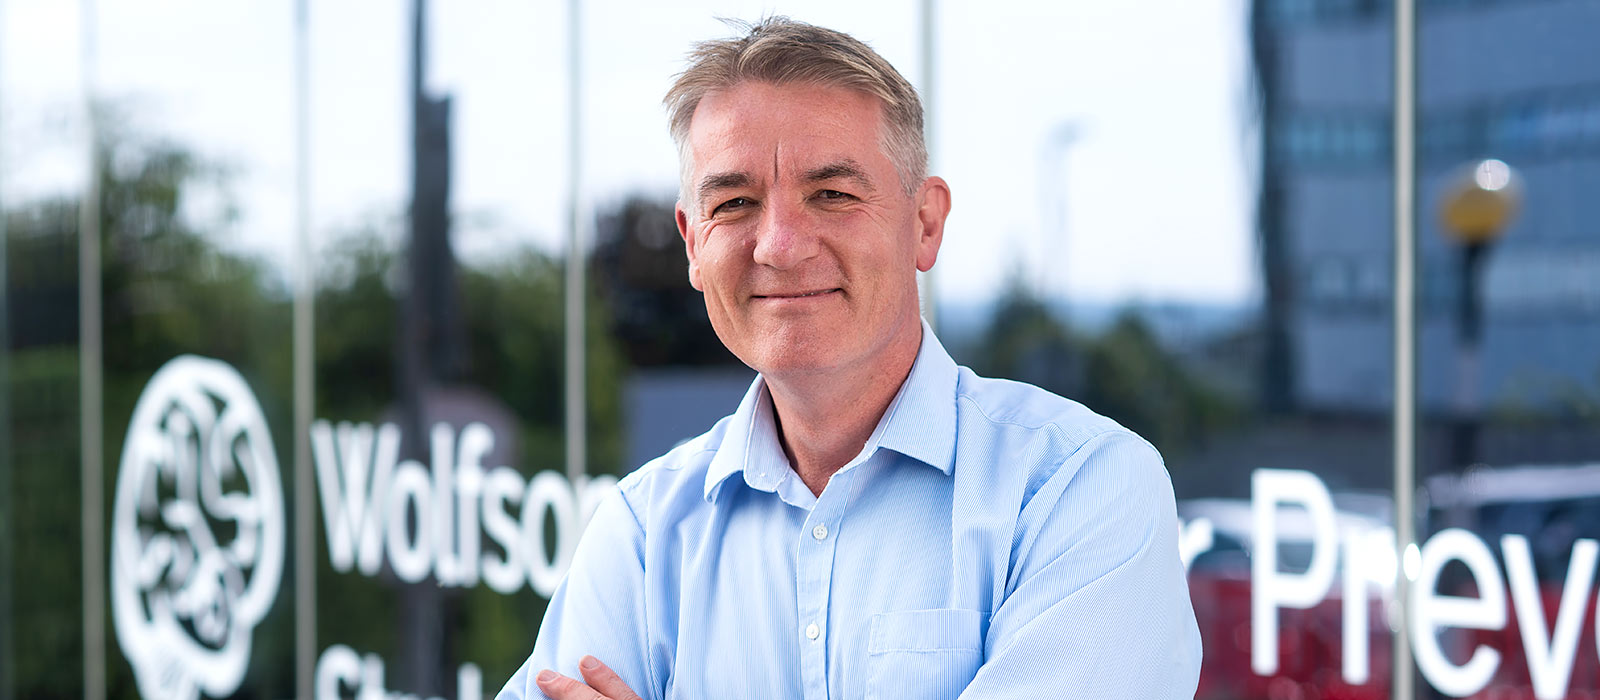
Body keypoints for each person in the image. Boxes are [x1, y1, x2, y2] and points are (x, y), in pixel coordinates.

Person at [499, 17, 1201, 700]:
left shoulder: (1078, 491)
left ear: (924, 224)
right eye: (736, 202)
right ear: (692, 245)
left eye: (831, 195)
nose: (777, 244)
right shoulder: (645, 535)